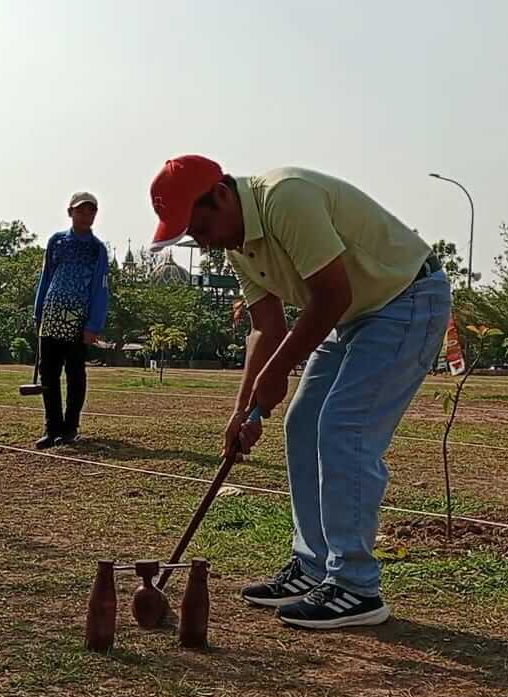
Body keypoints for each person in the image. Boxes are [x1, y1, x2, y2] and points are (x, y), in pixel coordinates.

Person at [148, 155, 451, 630]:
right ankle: (313, 568)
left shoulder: (286, 197)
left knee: (343, 428)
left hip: (405, 298)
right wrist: (243, 408)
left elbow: (332, 295)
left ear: (223, 196)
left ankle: (355, 586)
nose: (202, 243)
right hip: (353, 315)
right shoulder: (237, 245)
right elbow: (265, 330)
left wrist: (278, 373)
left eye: (199, 226)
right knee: (302, 423)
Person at [31, 192, 109, 449]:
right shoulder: (57, 242)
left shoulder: (97, 249)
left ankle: (70, 427)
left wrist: (93, 325)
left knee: (75, 374)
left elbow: (100, 288)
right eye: (81, 211)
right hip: (52, 316)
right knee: (49, 374)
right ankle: (51, 427)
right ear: (70, 212)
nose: (86, 215)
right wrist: (38, 310)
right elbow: (47, 276)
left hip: (78, 320)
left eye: (91, 211)